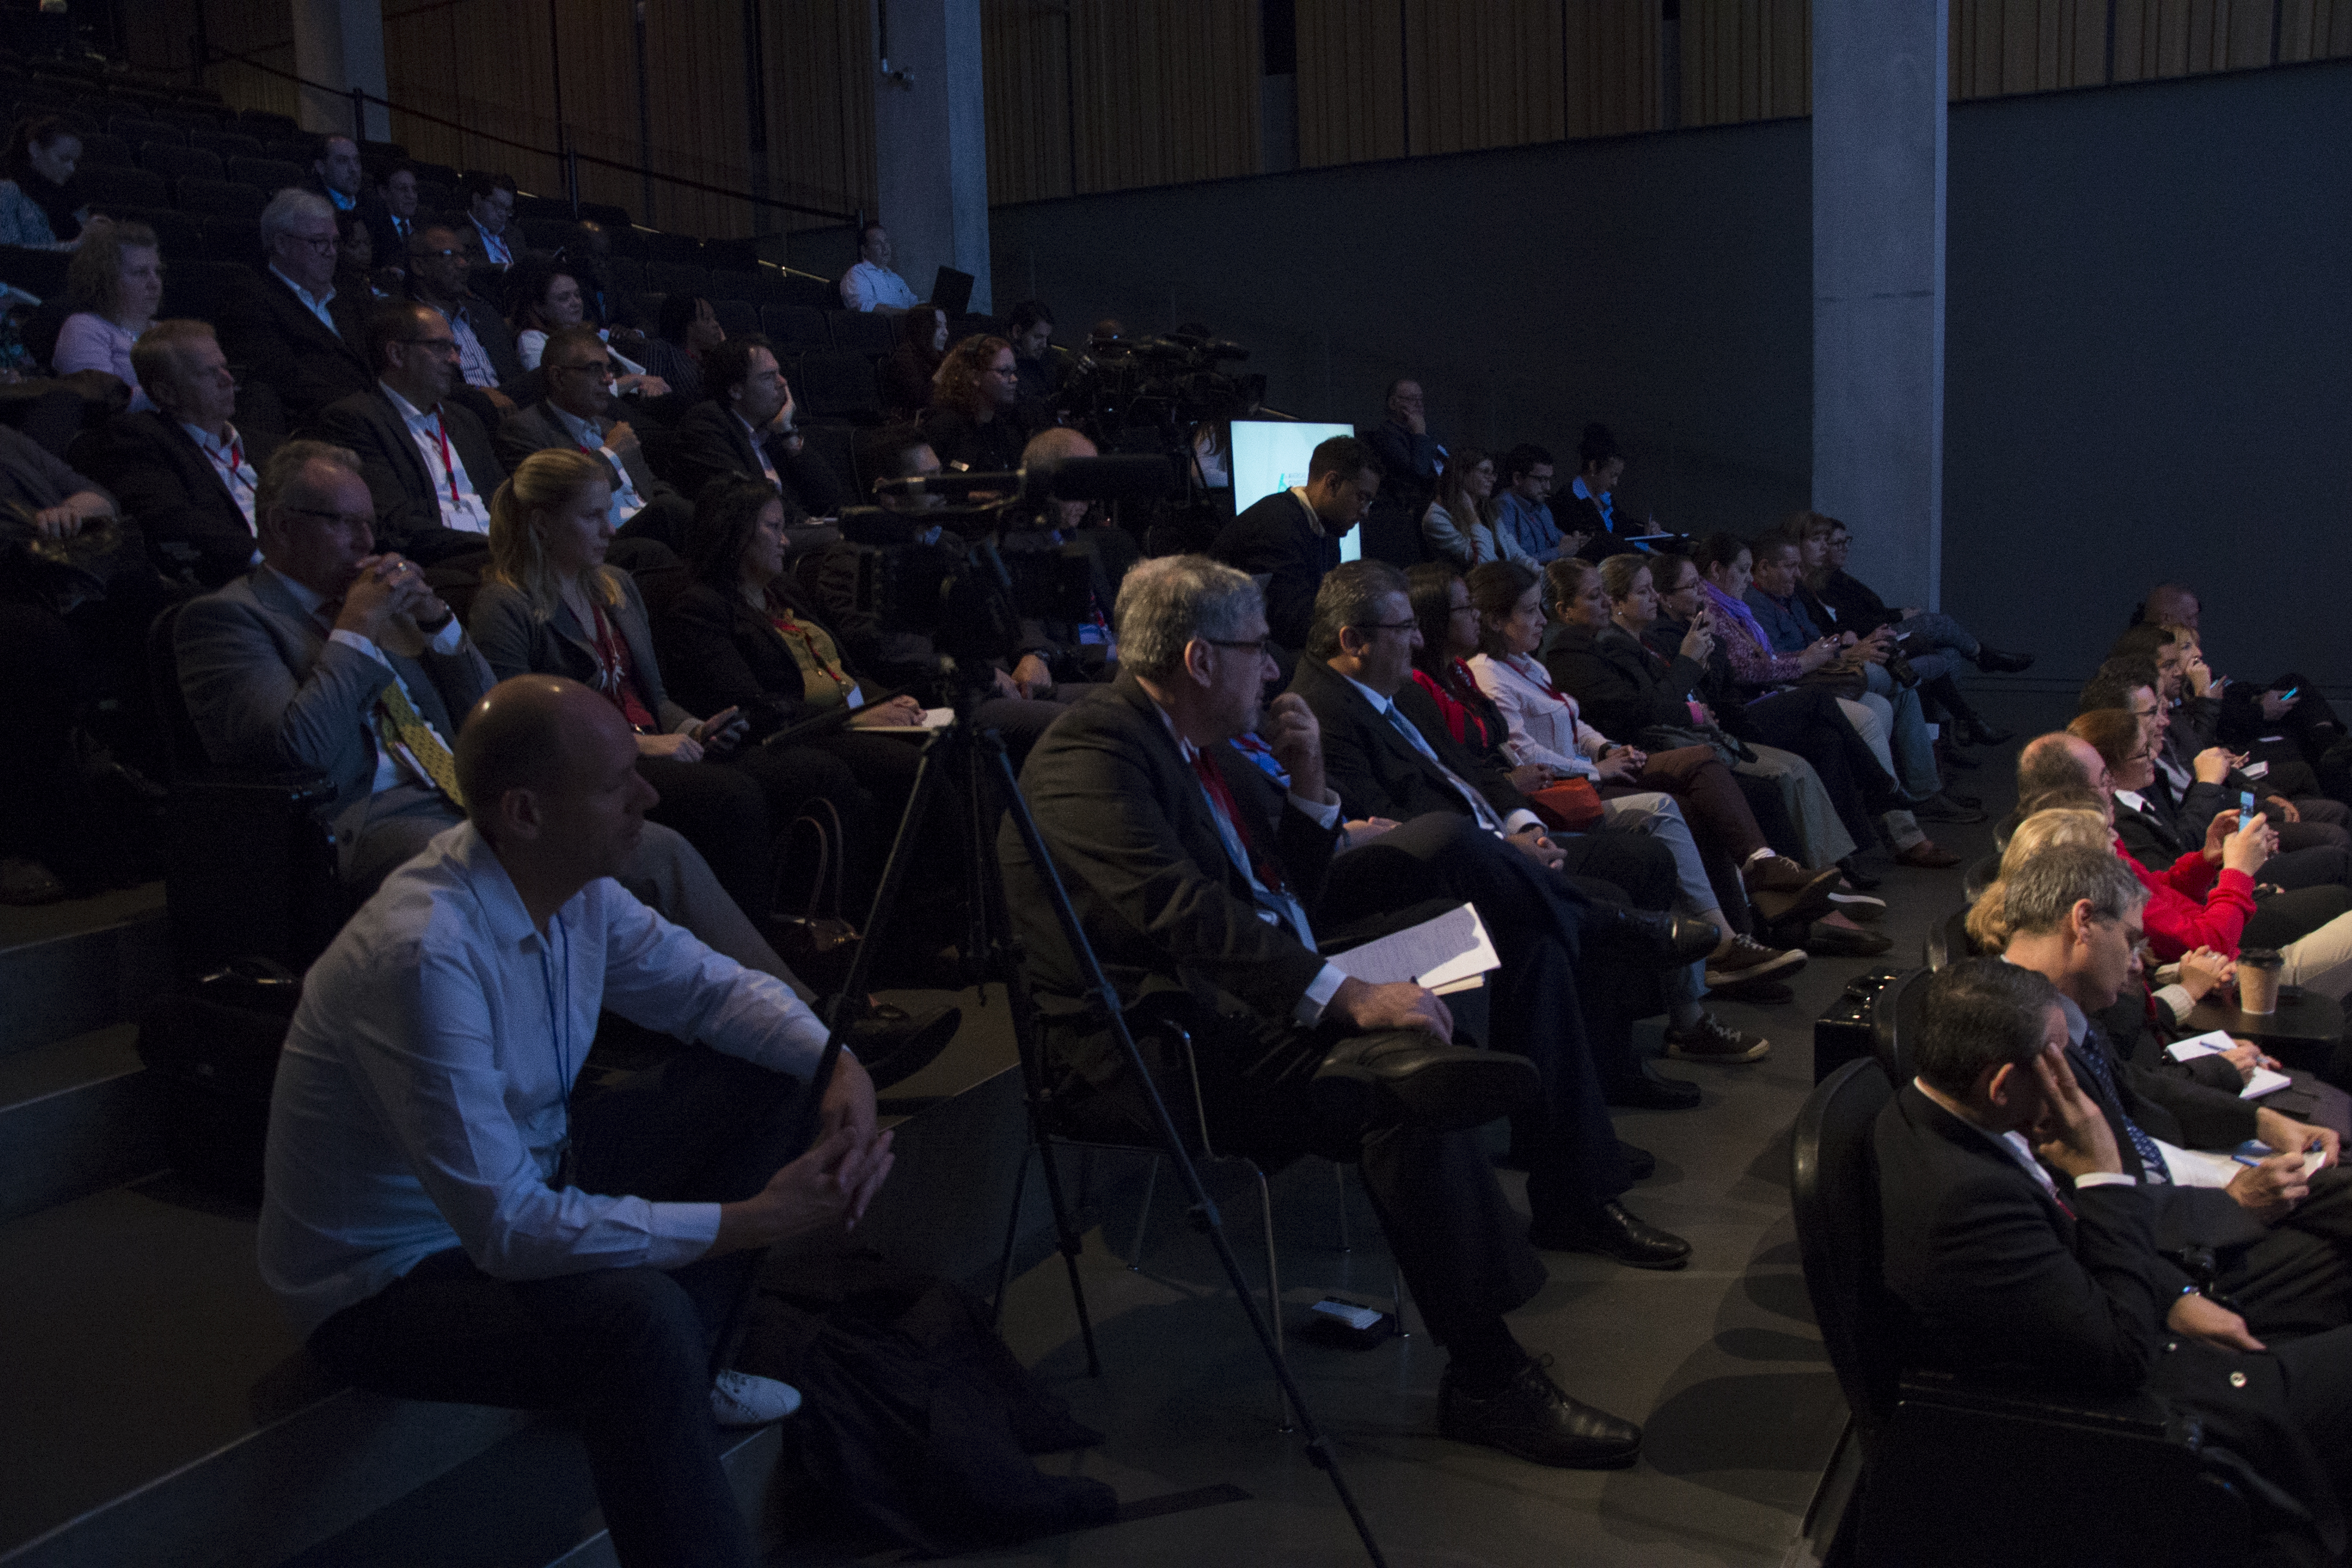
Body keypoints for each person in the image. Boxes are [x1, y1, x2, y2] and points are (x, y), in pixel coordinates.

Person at [999, 553, 1677, 1466]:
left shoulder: (1191, 744)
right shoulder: (1094, 753)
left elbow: (1291, 900)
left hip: (1243, 1000)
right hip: (1152, 1043)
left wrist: (1310, 783)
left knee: (1501, 937)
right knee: (1404, 1081)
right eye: (1256, 651)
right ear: (1201, 660)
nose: (1275, 670)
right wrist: (1348, 995)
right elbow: (1180, 913)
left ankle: (1568, 1181)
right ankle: (1487, 1377)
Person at [259, 672, 896, 1568]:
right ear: (524, 813)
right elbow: (509, 1232)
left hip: (519, 1187)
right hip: (388, 1285)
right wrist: (755, 1222)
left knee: (784, 1075)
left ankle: (693, 1365)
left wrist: (844, 1068)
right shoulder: (421, 954)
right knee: (637, 1322)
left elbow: (713, 992)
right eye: (615, 784)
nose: (647, 794)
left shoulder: (574, 887)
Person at [1875, 956, 2352, 1563]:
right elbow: (2122, 1350)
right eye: (2055, 1062)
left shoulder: (1946, 1110)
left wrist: (2175, 1295)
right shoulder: (1963, 1201)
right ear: (2001, 1082)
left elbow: (2069, 1252)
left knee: (2332, 1265)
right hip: (2144, 1410)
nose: (2070, 1077)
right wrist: (2102, 1174)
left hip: (2150, 1301)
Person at [1290, 561, 1784, 1087]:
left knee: (1647, 857)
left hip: (1500, 835)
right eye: (1402, 628)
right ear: (1353, 640)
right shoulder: (1324, 713)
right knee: (1575, 901)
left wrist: (1521, 826)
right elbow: (1399, 831)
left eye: (1416, 625)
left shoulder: (1403, 692)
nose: (1414, 641)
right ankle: (1613, 1030)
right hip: (1437, 878)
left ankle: (1646, 1039)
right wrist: (1504, 846)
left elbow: (1477, 767)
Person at [1462, 559, 1823, 979]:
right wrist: (1600, 767)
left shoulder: (1528, 664)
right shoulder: (1491, 673)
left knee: (1701, 779)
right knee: (1683, 796)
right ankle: (1729, 935)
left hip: (1591, 770)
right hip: (1561, 792)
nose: (1541, 619)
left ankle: (1746, 921)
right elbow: (1526, 755)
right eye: (1530, 611)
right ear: (1494, 620)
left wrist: (1607, 748)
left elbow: (1573, 721)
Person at [1546, 553, 1870, 893]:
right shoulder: (1594, 648)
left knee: (1821, 741)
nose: (1654, 598)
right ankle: (1797, 884)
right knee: (1783, 764)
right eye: (1644, 592)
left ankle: (1823, 874)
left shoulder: (1645, 639)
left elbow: (1702, 688)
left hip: (1699, 730)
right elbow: (1646, 708)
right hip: (1662, 742)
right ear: (1566, 610)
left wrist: (1702, 666)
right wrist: (1691, 678)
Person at [1642, 549, 1900, 895]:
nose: (1703, 593)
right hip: (1730, 722)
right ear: (1665, 598)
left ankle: (1841, 860)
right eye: (1691, 587)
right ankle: (1881, 784)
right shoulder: (1662, 635)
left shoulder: (1709, 622)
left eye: (1700, 585)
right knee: (1817, 700)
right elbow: (1714, 690)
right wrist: (1703, 646)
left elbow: (1725, 680)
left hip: (1742, 709)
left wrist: (1710, 641)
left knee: (1827, 739)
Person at [1796, 512, 2031, 745]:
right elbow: (1854, 622)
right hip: (1864, 640)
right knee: (1936, 624)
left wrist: (1894, 614)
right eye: (1830, 542)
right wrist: (1897, 615)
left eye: (1840, 542)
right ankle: (1982, 661)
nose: (1836, 548)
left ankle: (1948, 736)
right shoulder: (1817, 585)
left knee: (1949, 654)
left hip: (1868, 634)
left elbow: (1863, 613)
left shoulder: (1828, 580)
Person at [79, 319, 280, 587]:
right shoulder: (137, 441)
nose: (228, 379)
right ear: (166, 393)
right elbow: (173, 520)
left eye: (224, 367)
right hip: (243, 582)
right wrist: (274, 563)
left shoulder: (265, 443)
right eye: (210, 373)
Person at [312, 300, 507, 564]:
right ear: (397, 354)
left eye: (456, 348)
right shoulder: (356, 420)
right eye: (441, 347)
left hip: (498, 553)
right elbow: (395, 525)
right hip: (437, 564)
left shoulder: (465, 420)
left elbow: (504, 498)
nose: (456, 360)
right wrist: (490, 549)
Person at [495, 324, 690, 546]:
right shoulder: (525, 431)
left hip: (653, 529)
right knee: (666, 514)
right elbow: (558, 502)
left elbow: (652, 485)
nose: (608, 380)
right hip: (602, 545)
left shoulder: (609, 426)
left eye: (609, 370)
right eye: (595, 370)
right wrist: (610, 455)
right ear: (558, 377)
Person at [218, 189, 373, 428]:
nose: (331, 253)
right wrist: (372, 406)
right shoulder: (251, 299)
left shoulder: (349, 291)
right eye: (320, 242)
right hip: (322, 426)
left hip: (378, 418)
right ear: (281, 244)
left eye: (335, 242)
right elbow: (284, 380)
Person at [1211, 433, 1379, 653]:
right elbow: (1293, 627)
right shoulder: (1276, 526)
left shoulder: (1326, 527)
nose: (1365, 512)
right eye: (1361, 497)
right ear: (1333, 483)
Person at [665, 335, 843, 530]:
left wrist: (788, 434)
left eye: (779, 373)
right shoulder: (706, 425)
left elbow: (833, 500)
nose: (783, 383)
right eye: (769, 376)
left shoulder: (773, 431)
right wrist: (814, 525)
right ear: (736, 390)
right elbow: (750, 503)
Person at [405, 223, 522, 412]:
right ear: (419, 266)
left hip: (512, 411)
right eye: (450, 256)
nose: (463, 264)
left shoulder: (483, 312)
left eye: (464, 256)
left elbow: (513, 375)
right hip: (459, 416)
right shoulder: (407, 320)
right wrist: (478, 393)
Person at [507, 260, 664, 397]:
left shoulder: (582, 333)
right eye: (564, 298)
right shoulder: (531, 339)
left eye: (577, 295)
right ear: (540, 308)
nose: (576, 303)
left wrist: (644, 383)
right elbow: (562, 393)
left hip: (630, 396)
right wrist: (633, 381)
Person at [51, 218, 162, 410]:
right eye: (140, 273)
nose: (155, 283)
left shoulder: (166, 331)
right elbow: (100, 404)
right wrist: (181, 393)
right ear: (107, 279)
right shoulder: (84, 328)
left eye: (157, 272)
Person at [920, 332, 1026, 475]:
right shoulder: (945, 426)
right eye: (1004, 371)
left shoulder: (1003, 425)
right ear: (975, 377)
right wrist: (970, 496)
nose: (1014, 379)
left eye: (1013, 371)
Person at [1363, 377, 1444, 528]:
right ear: (1393, 403)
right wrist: (1420, 433)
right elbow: (1419, 472)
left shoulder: (1418, 434)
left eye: (1421, 399)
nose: (1419, 405)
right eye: (1412, 399)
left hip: (1431, 511)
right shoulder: (1386, 435)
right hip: (1405, 516)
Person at [1420, 448, 1520, 569]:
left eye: (1493, 473)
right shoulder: (1436, 519)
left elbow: (1516, 554)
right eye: (1485, 472)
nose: (1493, 480)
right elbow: (1485, 564)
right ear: (1462, 473)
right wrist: (1472, 517)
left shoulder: (1487, 509)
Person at [1556, 423, 1642, 559]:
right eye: (1612, 475)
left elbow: (1626, 529)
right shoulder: (1568, 499)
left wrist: (1649, 532)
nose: (1615, 483)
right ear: (1594, 467)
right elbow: (1598, 543)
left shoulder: (1606, 499)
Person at [0, 116, 87, 250]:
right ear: (35, 149)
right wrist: (78, 244)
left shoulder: (73, 198)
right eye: (64, 159)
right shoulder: (8, 192)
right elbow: (9, 254)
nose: (72, 168)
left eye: (75, 162)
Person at [639, 293, 722, 406]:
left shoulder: (712, 356)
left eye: (714, 318)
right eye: (707, 319)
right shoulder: (661, 350)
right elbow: (650, 400)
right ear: (688, 325)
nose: (716, 325)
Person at [1490, 443, 1569, 564]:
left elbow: (1557, 536)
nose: (1548, 487)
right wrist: (1560, 552)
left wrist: (1574, 541)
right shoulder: (1504, 507)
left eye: (1548, 479)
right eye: (1541, 480)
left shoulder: (1541, 506)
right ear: (1517, 478)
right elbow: (1514, 561)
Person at [879, 304, 946, 418]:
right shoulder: (904, 359)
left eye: (946, 326)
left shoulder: (937, 355)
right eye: (939, 327)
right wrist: (946, 367)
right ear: (923, 329)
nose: (946, 332)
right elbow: (922, 399)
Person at [840, 222, 919, 313]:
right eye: (878, 243)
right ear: (864, 250)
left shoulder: (895, 278)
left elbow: (914, 303)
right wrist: (908, 314)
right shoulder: (858, 273)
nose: (885, 247)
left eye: (886, 241)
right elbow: (867, 308)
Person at [1004, 299, 1062, 417]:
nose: (1044, 345)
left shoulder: (1044, 361)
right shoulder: (1002, 363)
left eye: (1046, 338)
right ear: (1017, 332)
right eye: (1038, 337)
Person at [455, 170, 517, 269]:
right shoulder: (458, 229)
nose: (503, 215)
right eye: (497, 206)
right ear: (477, 200)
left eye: (507, 210)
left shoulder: (514, 235)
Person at [363, 161, 421, 265]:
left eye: (414, 189)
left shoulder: (424, 228)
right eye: (404, 189)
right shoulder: (372, 229)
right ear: (384, 192)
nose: (412, 196)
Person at [304, 133, 366, 215]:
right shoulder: (308, 208)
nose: (353, 169)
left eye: (357, 161)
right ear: (321, 167)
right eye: (343, 161)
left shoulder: (372, 204)